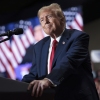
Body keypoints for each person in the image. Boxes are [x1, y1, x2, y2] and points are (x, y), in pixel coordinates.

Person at [22, 3, 99, 100]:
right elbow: (34, 74)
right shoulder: (39, 47)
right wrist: (13, 85)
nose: (45, 21)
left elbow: (69, 62)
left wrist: (48, 80)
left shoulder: (78, 37)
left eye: (49, 16)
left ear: (61, 19)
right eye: (41, 20)